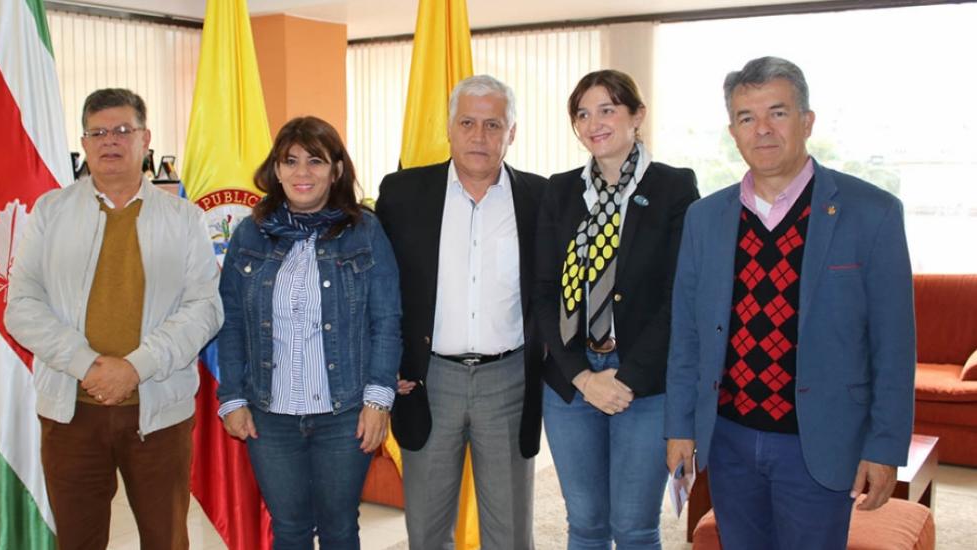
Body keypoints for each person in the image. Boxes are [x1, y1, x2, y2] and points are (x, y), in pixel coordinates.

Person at [665, 56, 916, 549]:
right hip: (730, 440)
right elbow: (687, 336)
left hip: (819, 443)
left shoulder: (873, 213)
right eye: (746, 117)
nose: (762, 129)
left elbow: (894, 345)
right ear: (733, 132)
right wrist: (679, 428)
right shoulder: (705, 217)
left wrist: (885, 447)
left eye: (777, 113)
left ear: (806, 121)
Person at [4, 88, 223, 550]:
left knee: (166, 539)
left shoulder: (184, 218)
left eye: (123, 130)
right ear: (84, 143)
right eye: (98, 132)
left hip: (158, 411)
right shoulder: (51, 212)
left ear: (145, 138)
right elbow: (21, 305)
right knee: (78, 540)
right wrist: (86, 364)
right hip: (71, 411)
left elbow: (205, 308)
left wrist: (135, 368)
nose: (110, 141)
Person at [376, 74, 546, 550]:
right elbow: (380, 289)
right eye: (468, 122)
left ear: (512, 133)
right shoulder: (402, 193)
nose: (479, 136)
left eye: (493, 125)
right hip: (429, 379)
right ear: (449, 128)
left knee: (510, 534)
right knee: (427, 533)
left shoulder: (540, 198)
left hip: (509, 381)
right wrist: (388, 362)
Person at [215, 116, 401, 550]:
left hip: (345, 412)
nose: (302, 172)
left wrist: (378, 401)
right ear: (276, 171)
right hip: (270, 414)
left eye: (315, 161)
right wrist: (233, 398)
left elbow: (387, 320)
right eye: (291, 161)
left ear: (336, 170)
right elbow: (232, 321)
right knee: (290, 529)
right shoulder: (250, 234)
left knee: (339, 528)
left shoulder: (365, 231)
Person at [533, 70, 698, 549]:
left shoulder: (673, 187)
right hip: (571, 378)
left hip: (643, 380)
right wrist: (583, 377)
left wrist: (625, 378)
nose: (594, 123)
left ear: (637, 115)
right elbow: (544, 290)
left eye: (607, 109)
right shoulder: (560, 190)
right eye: (583, 114)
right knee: (585, 522)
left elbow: (680, 295)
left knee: (634, 526)